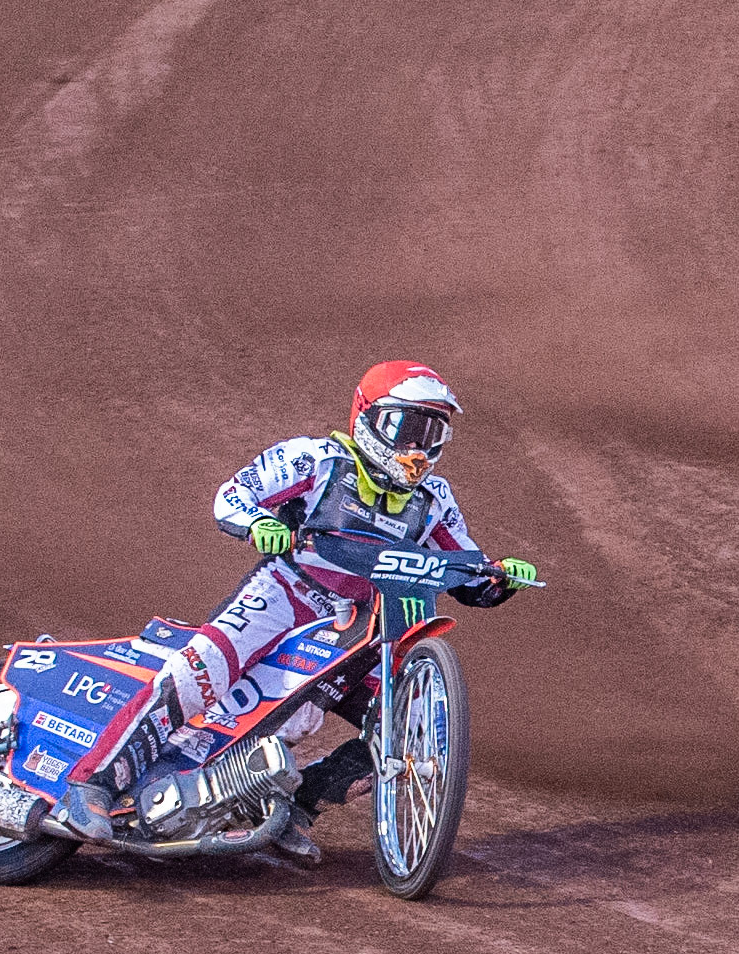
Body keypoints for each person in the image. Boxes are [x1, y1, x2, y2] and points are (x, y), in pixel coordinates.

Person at [47, 360, 539, 860]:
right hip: (282, 594)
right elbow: (232, 497)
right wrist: (257, 524)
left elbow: (467, 571)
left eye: (432, 433)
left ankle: (297, 806)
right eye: (407, 427)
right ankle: (91, 786)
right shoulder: (315, 460)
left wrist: (500, 577)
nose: (417, 448)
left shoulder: (434, 499)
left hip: (353, 626)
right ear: (368, 418)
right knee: (196, 674)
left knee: (405, 729)